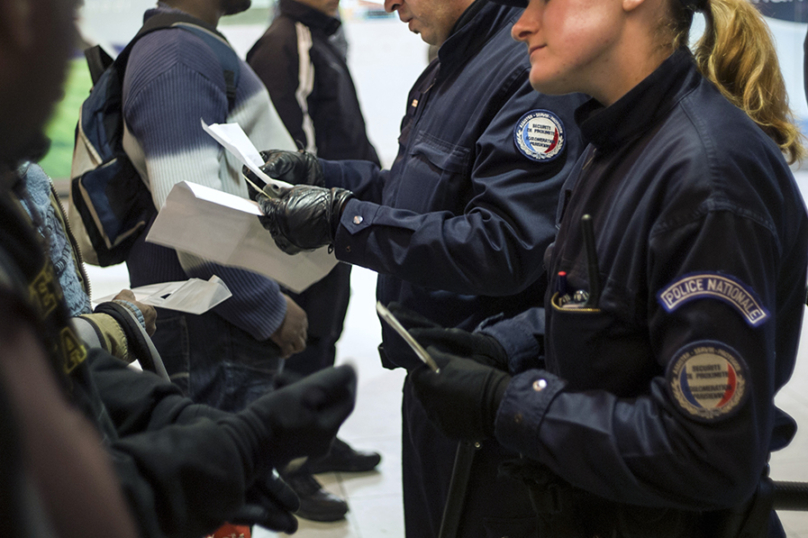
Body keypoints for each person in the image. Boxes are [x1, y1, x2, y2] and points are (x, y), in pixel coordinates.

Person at [399, 0, 808, 535]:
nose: (523, 24)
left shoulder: (706, 180)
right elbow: (610, 303)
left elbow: (706, 452)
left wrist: (509, 403)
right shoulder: (617, 142)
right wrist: (507, 344)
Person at [248, 0, 588, 535]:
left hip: (489, 386)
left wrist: (344, 220)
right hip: (434, 369)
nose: (387, 4)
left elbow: (504, 244)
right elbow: (419, 193)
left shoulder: (526, 67)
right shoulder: (458, 58)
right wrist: (322, 175)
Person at [121, 0, 308, 415]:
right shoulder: (177, 57)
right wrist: (267, 309)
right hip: (210, 319)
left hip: (215, 313)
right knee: (225, 473)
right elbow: (191, 215)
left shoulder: (188, 46)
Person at [246, 0, 382, 516]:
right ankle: (295, 466)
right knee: (302, 348)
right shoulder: (285, 42)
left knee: (326, 332)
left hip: (337, 218)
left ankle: (319, 443)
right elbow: (282, 145)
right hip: (310, 226)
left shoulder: (318, 36)